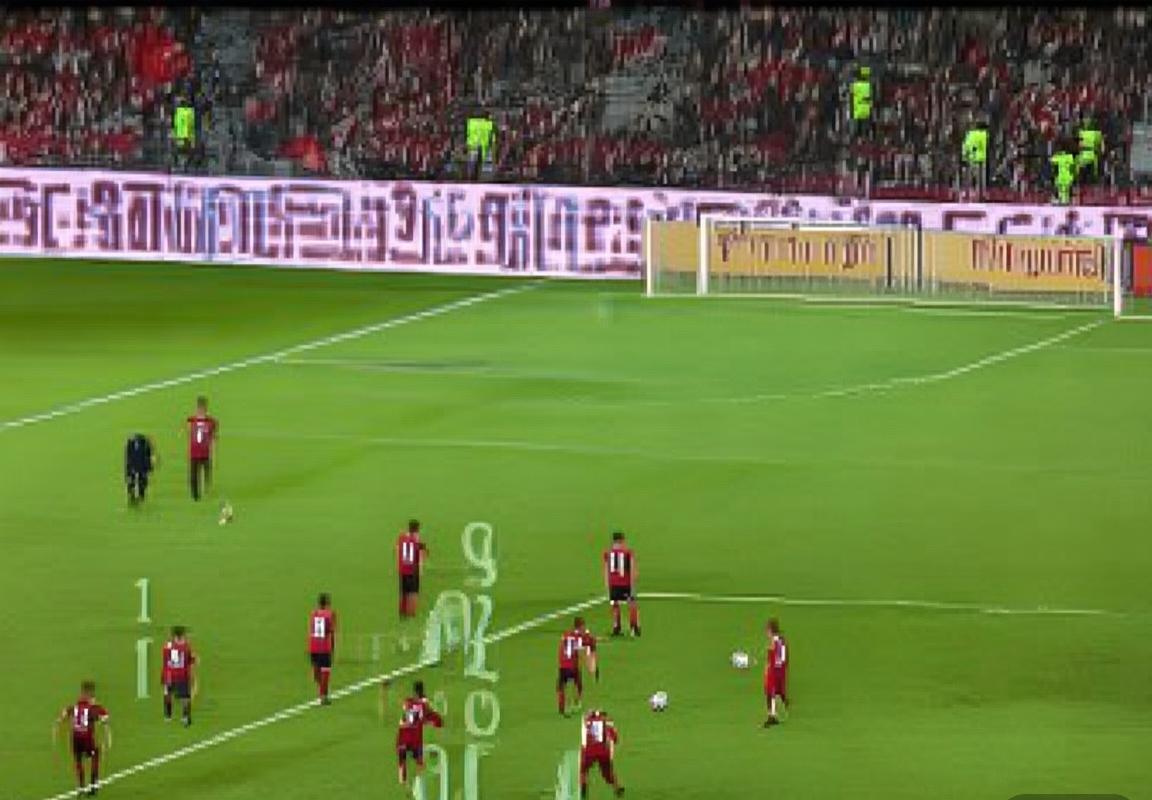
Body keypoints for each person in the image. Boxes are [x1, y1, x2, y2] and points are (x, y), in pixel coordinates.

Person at [55, 680, 111, 797]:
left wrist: (57, 727)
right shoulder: (93, 708)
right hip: (87, 738)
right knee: (95, 754)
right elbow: (105, 718)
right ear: (91, 694)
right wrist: (107, 736)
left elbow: (63, 715)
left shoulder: (74, 706)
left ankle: (81, 787)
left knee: (78, 759)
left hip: (75, 738)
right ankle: (93, 785)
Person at [394, 680, 443, 791]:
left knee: (402, 760)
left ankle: (404, 783)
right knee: (420, 762)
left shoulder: (407, 702)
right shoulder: (424, 705)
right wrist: (437, 722)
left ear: (414, 692)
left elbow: (405, 715)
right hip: (414, 737)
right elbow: (432, 719)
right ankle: (416, 784)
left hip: (403, 736)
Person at [558, 616, 598, 716]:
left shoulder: (566, 634)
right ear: (581, 626)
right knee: (577, 684)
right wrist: (588, 664)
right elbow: (581, 650)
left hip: (563, 664)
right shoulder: (580, 637)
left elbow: (562, 647)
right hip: (573, 664)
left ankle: (563, 707)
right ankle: (576, 703)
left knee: (562, 685)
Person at [580, 708, 623, 798]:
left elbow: (585, 720)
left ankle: (583, 785)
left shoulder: (587, 721)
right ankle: (617, 786)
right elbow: (615, 738)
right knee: (608, 773)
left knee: (583, 770)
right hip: (603, 751)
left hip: (589, 750)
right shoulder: (606, 722)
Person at [603, 532, 640, 637]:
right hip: (625, 584)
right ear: (622, 540)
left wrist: (607, 585)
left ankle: (616, 627)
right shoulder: (628, 552)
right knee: (632, 604)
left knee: (615, 605)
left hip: (613, 584)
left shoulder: (607, 553)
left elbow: (606, 570)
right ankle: (634, 628)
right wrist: (633, 584)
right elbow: (632, 570)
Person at [161, 625, 197, 726]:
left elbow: (168, 656)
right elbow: (189, 660)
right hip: (181, 676)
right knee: (184, 698)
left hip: (168, 676)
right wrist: (193, 659)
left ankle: (168, 716)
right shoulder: (185, 647)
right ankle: (185, 717)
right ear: (181, 636)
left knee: (167, 695)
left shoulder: (168, 646)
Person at [186, 396, 218, 501]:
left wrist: (213, 449)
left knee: (206, 471)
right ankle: (195, 495)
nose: (200, 410)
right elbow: (189, 433)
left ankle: (206, 488)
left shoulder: (211, 421)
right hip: (194, 452)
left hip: (205, 452)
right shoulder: (191, 420)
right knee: (193, 475)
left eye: (202, 408)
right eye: (199, 408)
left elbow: (213, 436)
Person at [396, 519, 428, 618]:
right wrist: (420, 569)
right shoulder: (416, 541)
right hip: (412, 570)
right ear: (417, 529)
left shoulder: (401, 537)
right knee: (413, 592)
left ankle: (402, 611)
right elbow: (422, 555)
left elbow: (398, 550)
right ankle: (411, 613)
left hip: (402, 569)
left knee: (404, 591)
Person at [308, 593, 337, 705]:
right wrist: (333, 647)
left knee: (317, 671)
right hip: (324, 647)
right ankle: (323, 696)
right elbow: (331, 631)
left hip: (313, 646)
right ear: (328, 603)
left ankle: (321, 691)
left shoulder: (313, 613)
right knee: (325, 671)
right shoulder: (330, 614)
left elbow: (311, 629)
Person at [763, 618, 788, 728]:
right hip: (777, 671)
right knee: (774, 692)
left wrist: (771, 669)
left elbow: (777, 660)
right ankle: (776, 711)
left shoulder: (776, 642)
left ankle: (772, 716)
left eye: (767, 630)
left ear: (770, 630)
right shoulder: (779, 641)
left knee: (771, 693)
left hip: (775, 672)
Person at [124, 433, 155, 506]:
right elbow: (148, 457)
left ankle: (135, 496)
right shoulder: (145, 443)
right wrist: (149, 467)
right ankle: (138, 496)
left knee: (136, 481)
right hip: (139, 466)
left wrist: (128, 470)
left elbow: (128, 458)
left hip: (135, 466)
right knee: (140, 481)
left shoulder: (132, 443)